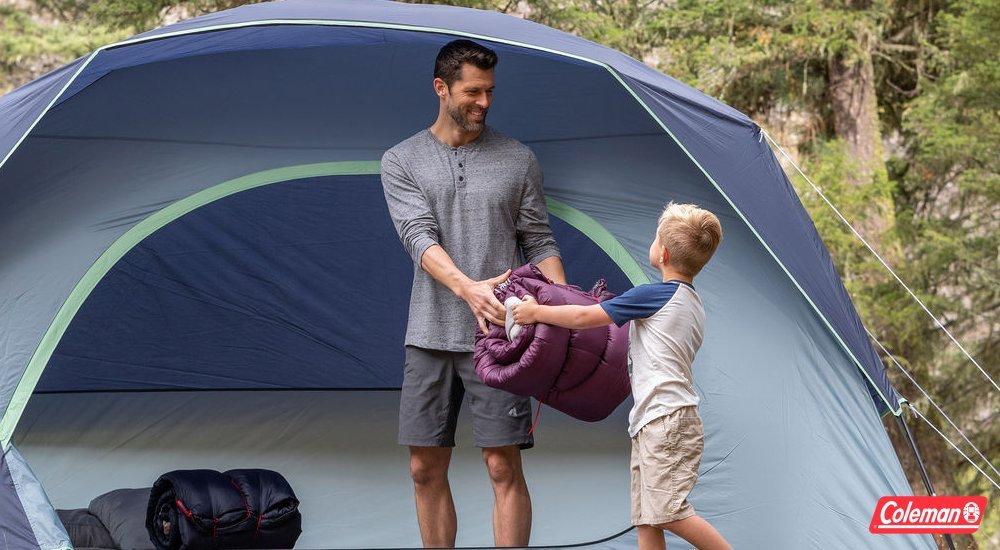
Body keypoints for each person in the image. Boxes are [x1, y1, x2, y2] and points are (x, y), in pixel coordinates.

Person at [380, 39, 566, 548]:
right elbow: (417, 237)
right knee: (424, 467)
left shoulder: (517, 159)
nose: (483, 102)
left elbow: (539, 239)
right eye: (472, 91)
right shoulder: (401, 160)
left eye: (490, 92)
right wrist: (468, 290)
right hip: (429, 335)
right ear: (441, 89)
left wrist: (567, 308)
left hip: (503, 338)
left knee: (502, 465)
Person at [511, 202, 731, 550]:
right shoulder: (692, 302)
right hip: (654, 420)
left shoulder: (654, 296)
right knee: (646, 518)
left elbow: (585, 318)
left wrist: (535, 311)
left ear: (663, 252)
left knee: (669, 512)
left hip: (666, 421)